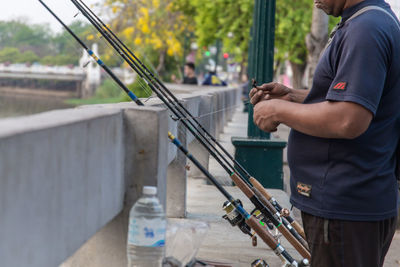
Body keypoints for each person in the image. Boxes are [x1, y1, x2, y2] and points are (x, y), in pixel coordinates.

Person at [250, 0, 400, 266]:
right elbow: (353, 100)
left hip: (345, 206)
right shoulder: (369, 21)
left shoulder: (367, 29)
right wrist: (292, 97)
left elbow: (348, 119)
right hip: (348, 205)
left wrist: (277, 111)